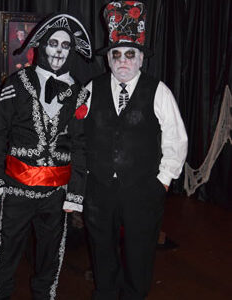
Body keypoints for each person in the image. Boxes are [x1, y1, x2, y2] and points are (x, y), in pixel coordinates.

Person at [0, 13, 92, 300]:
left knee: (51, 254)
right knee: (6, 250)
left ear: (71, 51)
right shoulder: (16, 82)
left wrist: (75, 194)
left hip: (57, 193)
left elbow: (80, 145)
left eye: (65, 45)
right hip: (17, 187)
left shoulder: (79, 92)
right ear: (41, 46)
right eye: (53, 43)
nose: (58, 50)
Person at [83, 2, 188, 300]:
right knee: (101, 247)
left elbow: (176, 138)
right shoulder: (92, 89)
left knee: (139, 250)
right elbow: (77, 134)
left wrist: (163, 180)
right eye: (116, 54)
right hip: (100, 188)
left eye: (130, 54)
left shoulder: (158, 90)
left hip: (143, 189)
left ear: (141, 58)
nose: (123, 61)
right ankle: (104, 293)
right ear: (108, 60)